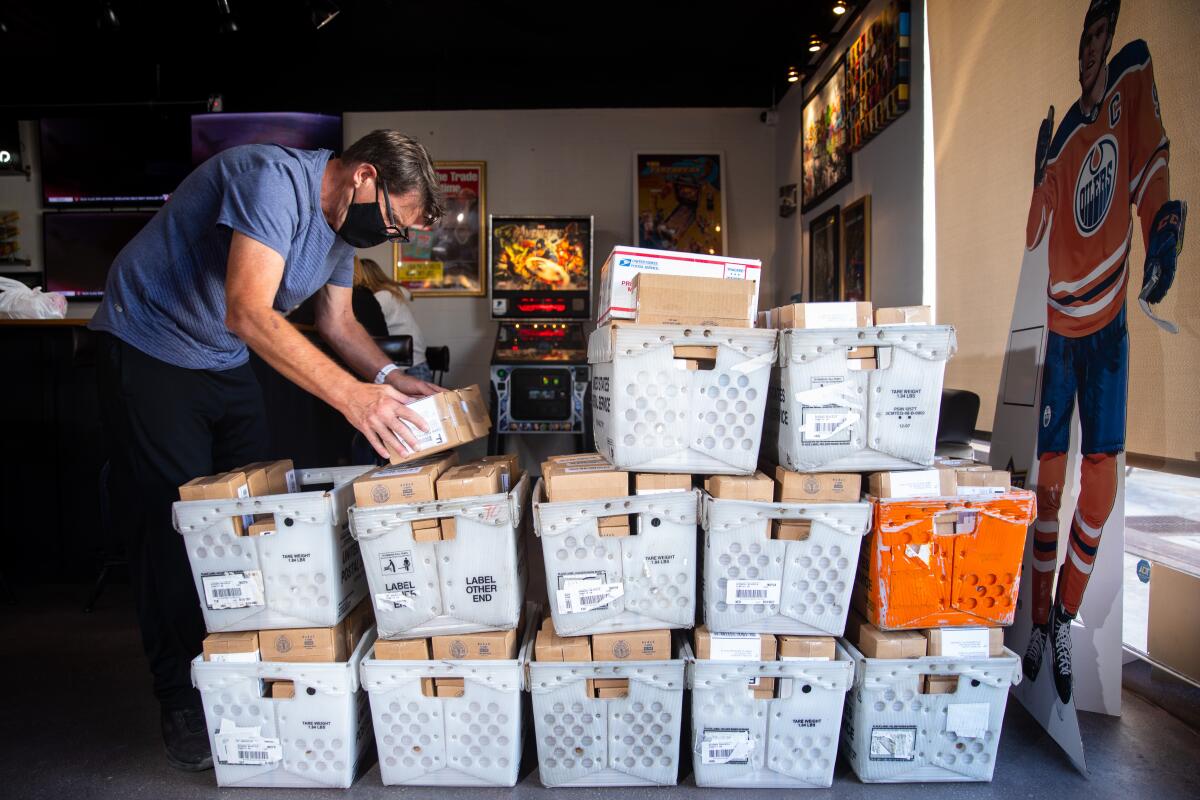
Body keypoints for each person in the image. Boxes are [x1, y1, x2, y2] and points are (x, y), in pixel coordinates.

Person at [89, 129, 446, 770]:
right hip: (148, 344)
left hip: (220, 360)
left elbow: (339, 323)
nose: (387, 238)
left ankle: (249, 672)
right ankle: (180, 697)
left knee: (255, 516)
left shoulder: (339, 227)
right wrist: (353, 399)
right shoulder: (270, 181)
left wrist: (389, 380)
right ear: (364, 176)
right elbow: (248, 312)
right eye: (393, 221)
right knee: (176, 525)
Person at [1021, 0, 1185, 705]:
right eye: (1083, 43)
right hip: (1061, 328)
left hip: (1110, 325)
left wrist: (1162, 234)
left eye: (1098, 39)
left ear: (1109, 39)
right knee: (1048, 487)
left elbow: (1150, 165)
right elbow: (1034, 234)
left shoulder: (1131, 86)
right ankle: (1035, 621)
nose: (1091, 53)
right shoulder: (1063, 146)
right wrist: (1037, 178)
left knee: (1104, 483)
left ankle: (1064, 614)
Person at [352, 256, 431, 381]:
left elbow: (364, 323)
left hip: (404, 362)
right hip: (416, 356)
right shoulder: (394, 292)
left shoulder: (381, 297)